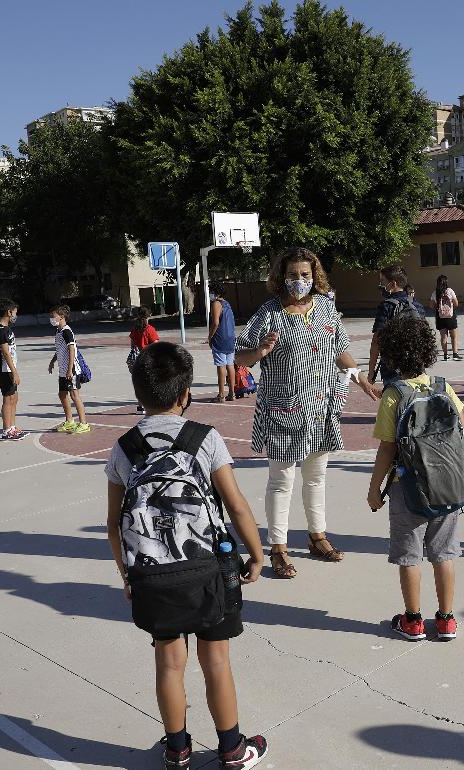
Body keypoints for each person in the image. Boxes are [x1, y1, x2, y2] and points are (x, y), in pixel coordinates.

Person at [104, 341, 268, 770]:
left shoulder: (124, 447)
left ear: (138, 394)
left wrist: (127, 575)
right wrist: (256, 554)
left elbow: (113, 524)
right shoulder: (203, 438)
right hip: (208, 569)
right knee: (216, 660)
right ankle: (232, 749)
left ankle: (177, 751)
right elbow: (236, 506)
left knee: (169, 662)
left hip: (153, 573)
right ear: (185, 394)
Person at [235, 248, 379, 579]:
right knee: (281, 480)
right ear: (281, 277)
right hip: (282, 409)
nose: (299, 280)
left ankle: (317, 536)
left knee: (316, 476)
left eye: (305, 274)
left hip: (321, 408)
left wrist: (362, 380)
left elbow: (340, 351)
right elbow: (239, 357)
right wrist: (259, 351)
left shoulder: (326, 308)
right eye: (292, 275)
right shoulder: (269, 313)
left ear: (315, 277)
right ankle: (278, 548)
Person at [367, 314, 464, 642]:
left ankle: (412, 621)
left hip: (407, 489)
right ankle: (447, 620)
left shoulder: (394, 395)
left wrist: (374, 490)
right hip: (448, 487)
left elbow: (387, 448)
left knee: (410, 556)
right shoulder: (442, 387)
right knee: (445, 554)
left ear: (392, 354)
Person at [368, 266, 427, 385]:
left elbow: (376, 340)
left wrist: (371, 371)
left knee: (394, 396)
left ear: (393, 283)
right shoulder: (417, 305)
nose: (381, 285)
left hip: (392, 369)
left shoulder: (386, 306)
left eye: (383, 281)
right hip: (416, 366)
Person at [47, 304, 90, 434]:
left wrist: (70, 369)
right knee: (62, 394)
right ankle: (70, 421)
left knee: (74, 395)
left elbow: (72, 350)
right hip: (63, 370)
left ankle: (84, 423)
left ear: (61, 316)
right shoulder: (58, 331)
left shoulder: (67, 331)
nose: (51, 318)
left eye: (53, 316)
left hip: (71, 369)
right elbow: (60, 349)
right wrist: (52, 361)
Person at [0, 299, 26, 441]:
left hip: (9, 368)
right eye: (15, 312)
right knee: (8, 398)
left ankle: (12, 427)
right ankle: (6, 431)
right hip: (4, 369)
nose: (16, 315)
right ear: (9, 312)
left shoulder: (5, 328)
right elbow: (5, 352)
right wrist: (14, 372)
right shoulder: (1, 330)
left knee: (14, 397)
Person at [129, 307, 161, 414]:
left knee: (140, 383)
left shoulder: (135, 329)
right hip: (148, 359)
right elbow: (156, 345)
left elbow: (132, 345)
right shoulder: (149, 329)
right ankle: (152, 405)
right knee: (151, 383)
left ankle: (140, 407)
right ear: (149, 315)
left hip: (136, 359)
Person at [208, 287, 238, 402]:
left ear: (216, 293)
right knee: (230, 365)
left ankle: (221, 394)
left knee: (221, 365)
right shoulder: (227, 304)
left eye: (211, 292)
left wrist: (210, 336)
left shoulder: (216, 303)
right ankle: (232, 393)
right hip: (230, 337)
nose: (210, 294)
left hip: (220, 337)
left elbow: (215, 323)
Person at [430, 274, 463, 360]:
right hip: (450, 317)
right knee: (454, 336)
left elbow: (431, 305)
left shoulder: (435, 293)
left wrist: (439, 306)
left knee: (443, 337)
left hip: (440, 317)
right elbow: (456, 303)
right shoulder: (450, 291)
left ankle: (445, 355)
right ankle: (455, 354)